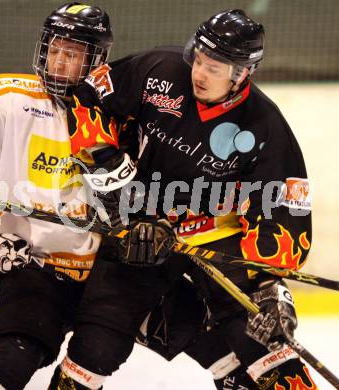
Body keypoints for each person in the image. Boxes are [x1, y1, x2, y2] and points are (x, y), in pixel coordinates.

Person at [59, 9, 318, 390]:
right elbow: (88, 96)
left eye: (214, 68)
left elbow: (284, 210)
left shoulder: (264, 124)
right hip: (139, 229)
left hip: (212, 238)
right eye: (198, 59)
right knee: (97, 345)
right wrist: (112, 172)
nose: (199, 73)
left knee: (262, 338)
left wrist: (268, 288)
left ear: (243, 72)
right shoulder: (158, 71)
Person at [0, 3, 114, 389]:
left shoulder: (120, 109)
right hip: (34, 264)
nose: (58, 61)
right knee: (12, 357)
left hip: (110, 273)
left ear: (96, 61)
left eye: (72, 54)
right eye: (54, 49)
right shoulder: (12, 97)